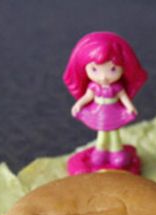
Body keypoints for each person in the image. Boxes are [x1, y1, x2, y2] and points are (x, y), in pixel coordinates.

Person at [63, 32, 148, 173]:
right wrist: (78, 104)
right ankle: (100, 150)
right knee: (102, 132)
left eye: (112, 69)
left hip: (114, 112)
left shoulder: (117, 87)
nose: (103, 77)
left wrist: (130, 107)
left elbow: (123, 97)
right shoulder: (94, 87)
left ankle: (117, 151)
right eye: (94, 70)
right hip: (99, 112)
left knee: (114, 132)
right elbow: (87, 97)